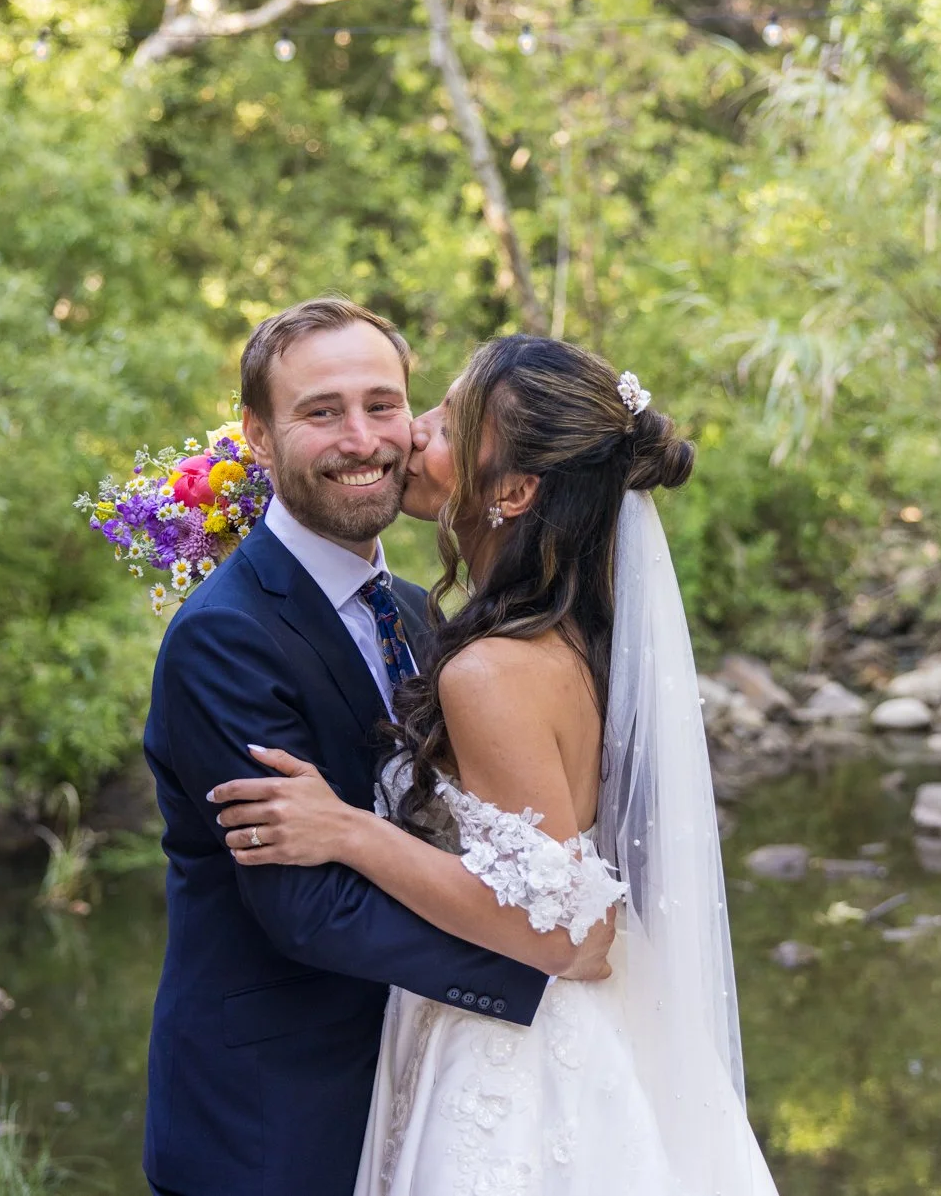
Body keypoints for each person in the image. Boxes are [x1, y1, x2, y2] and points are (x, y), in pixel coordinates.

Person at [210, 335, 780, 1195]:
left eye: (443, 422)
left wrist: (353, 832)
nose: (410, 435)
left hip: (520, 1063)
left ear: (512, 489)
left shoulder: (489, 671)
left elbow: (569, 931)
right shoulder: (559, 635)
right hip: (572, 1029)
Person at [141, 300, 613, 1196]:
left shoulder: (414, 609)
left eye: (384, 405)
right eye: (322, 412)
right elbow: (305, 907)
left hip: (422, 1087)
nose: (363, 438)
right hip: (275, 1117)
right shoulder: (224, 636)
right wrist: (549, 963)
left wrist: (559, 934)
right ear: (259, 434)